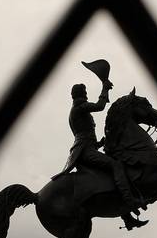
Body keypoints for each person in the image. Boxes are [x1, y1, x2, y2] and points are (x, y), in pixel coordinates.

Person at [52, 80, 147, 230]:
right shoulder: (80, 107)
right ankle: (130, 201)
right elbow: (100, 106)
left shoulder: (77, 110)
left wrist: (99, 144)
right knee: (116, 165)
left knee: (108, 173)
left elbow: (84, 135)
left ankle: (127, 217)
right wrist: (105, 89)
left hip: (87, 148)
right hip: (84, 151)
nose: (86, 95)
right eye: (84, 92)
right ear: (79, 94)